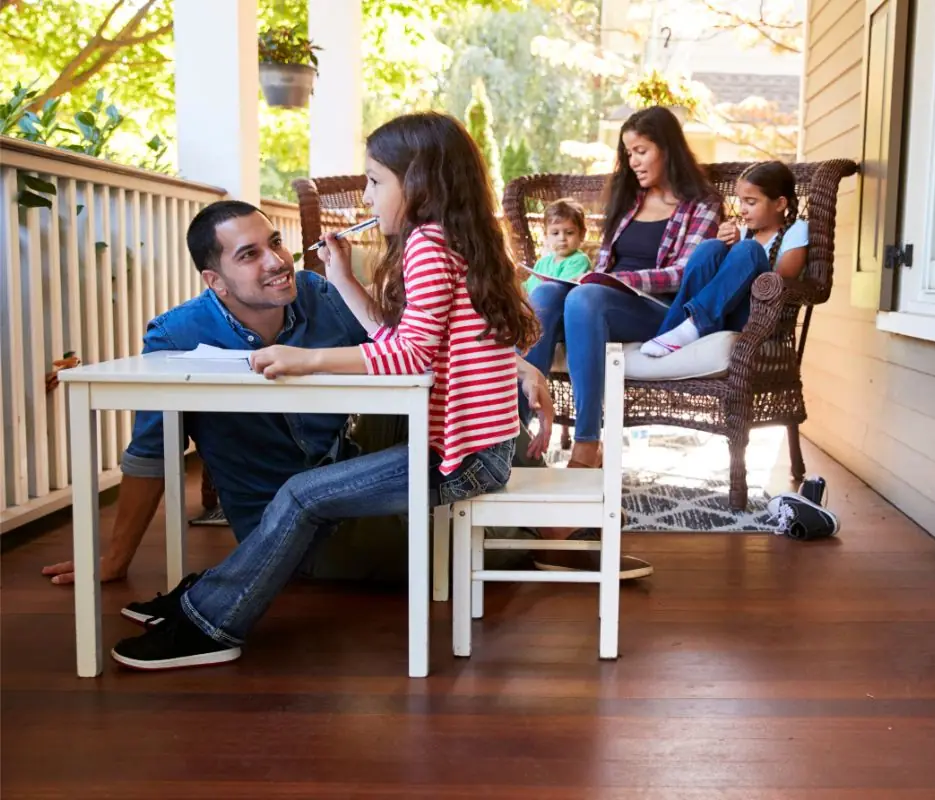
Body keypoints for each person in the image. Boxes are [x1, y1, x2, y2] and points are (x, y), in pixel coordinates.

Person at [110, 111, 542, 670]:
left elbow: (407, 356)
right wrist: (344, 277)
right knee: (304, 494)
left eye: (374, 180)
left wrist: (304, 359)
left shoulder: (427, 246)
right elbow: (399, 338)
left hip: (459, 457)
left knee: (301, 494)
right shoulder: (448, 240)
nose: (366, 195)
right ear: (213, 280)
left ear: (417, 183)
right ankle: (203, 602)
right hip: (473, 450)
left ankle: (209, 624)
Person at [41, 201, 555, 590]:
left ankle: (544, 523)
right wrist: (115, 559)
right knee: (466, 552)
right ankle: (531, 537)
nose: (276, 261)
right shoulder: (174, 336)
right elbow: (152, 454)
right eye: (250, 255)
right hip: (293, 521)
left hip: (351, 462)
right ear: (214, 280)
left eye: (276, 242)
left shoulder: (317, 291)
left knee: (493, 394)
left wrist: (516, 365)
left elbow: (410, 348)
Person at [523, 105, 722, 578]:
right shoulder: (628, 202)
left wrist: (620, 279)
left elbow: (683, 274)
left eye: (641, 150)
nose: (632, 161)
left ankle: (587, 444)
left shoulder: (702, 205)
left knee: (586, 299)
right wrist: (602, 278)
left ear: (666, 148)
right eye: (627, 152)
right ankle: (515, 428)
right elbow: (605, 265)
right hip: (611, 299)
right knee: (550, 293)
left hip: (665, 314)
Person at [642, 161, 807, 356]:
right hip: (722, 314)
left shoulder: (797, 230)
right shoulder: (744, 233)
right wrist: (724, 247)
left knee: (749, 249)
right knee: (710, 247)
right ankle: (672, 331)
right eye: (741, 201)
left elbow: (781, 283)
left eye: (751, 202)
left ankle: (691, 327)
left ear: (780, 204)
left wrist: (739, 251)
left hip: (758, 321)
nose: (743, 209)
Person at [521, 198, 592, 293]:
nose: (562, 238)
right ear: (546, 235)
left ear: (582, 234)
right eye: (555, 233)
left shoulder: (579, 261)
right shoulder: (542, 262)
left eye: (569, 233)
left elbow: (559, 291)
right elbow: (528, 287)